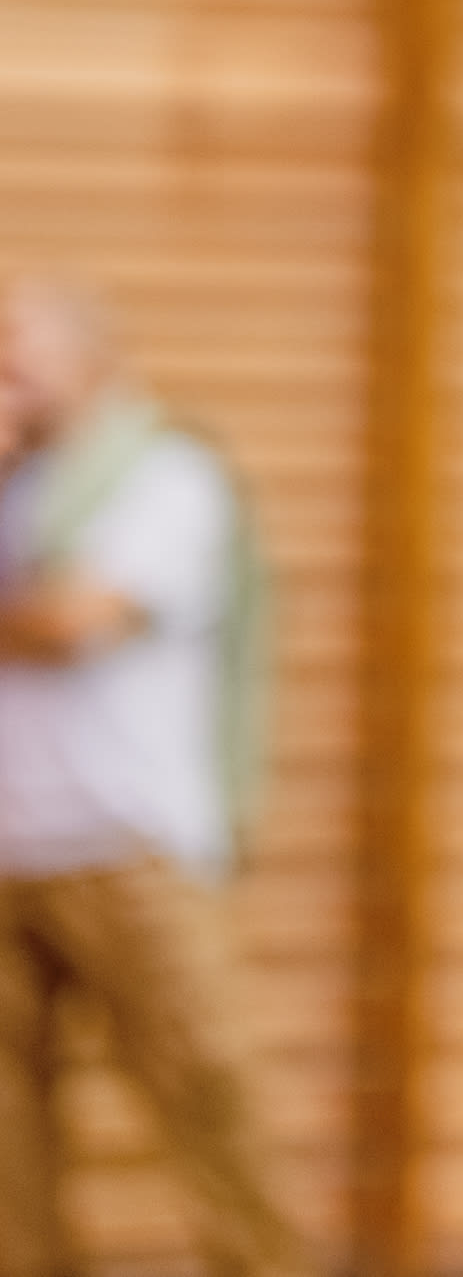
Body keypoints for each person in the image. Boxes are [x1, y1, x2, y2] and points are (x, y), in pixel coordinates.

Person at [0, 278, 308, 1277]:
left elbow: (69, 620)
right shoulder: (13, 488)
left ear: (88, 357)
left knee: (208, 1102)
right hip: (11, 852)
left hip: (131, 850)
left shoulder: (169, 477)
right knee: (11, 1140)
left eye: (19, 346)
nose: (4, 368)